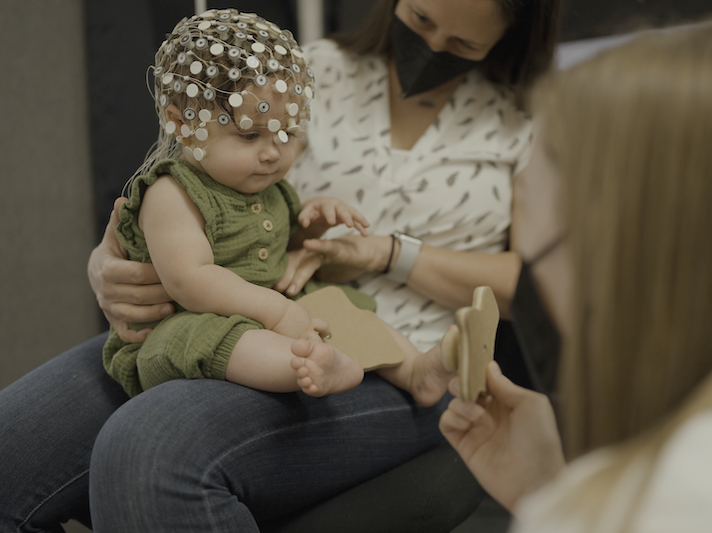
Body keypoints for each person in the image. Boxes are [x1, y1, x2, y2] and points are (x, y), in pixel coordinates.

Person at [0, 0, 560, 531]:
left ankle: (402, 368)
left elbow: (548, 289)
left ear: (513, 32)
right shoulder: (300, 71)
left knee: (149, 448)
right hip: (237, 303)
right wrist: (111, 266)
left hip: (394, 340)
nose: (432, 45)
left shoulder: (533, 118)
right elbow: (193, 196)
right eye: (419, 17)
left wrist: (391, 253)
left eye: (462, 41)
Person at [440, 19, 712, 531]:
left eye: (529, 207)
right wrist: (548, 487)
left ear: (606, 248)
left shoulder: (675, 501)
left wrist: (565, 508)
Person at [102, 10, 457, 404]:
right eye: (250, 135)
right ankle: (305, 366)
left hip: (274, 305)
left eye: (286, 133)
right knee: (222, 338)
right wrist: (273, 311)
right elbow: (190, 280)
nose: (273, 153)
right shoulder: (173, 193)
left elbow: (280, 245)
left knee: (342, 306)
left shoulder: (266, 186)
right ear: (182, 124)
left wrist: (314, 225)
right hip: (185, 322)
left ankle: (415, 372)